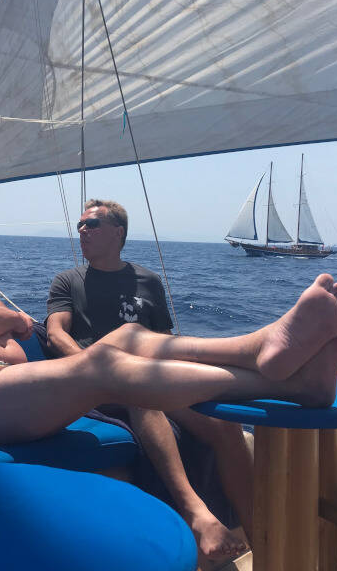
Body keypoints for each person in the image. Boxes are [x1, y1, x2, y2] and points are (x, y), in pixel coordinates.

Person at [0, 169, 337, 551]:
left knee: (131, 335)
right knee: (104, 366)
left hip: (10, 387)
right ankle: (290, 386)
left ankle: (257, 346)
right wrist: (6, 317)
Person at [46, 199, 253, 559]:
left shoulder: (148, 281)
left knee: (226, 426)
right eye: (80, 225)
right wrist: (92, 367)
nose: (82, 231)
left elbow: (165, 341)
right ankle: (195, 513)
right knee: (140, 395)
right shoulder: (68, 281)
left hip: (152, 376)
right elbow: (55, 333)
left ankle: (260, 533)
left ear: (118, 232)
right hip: (98, 384)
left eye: (91, 224)